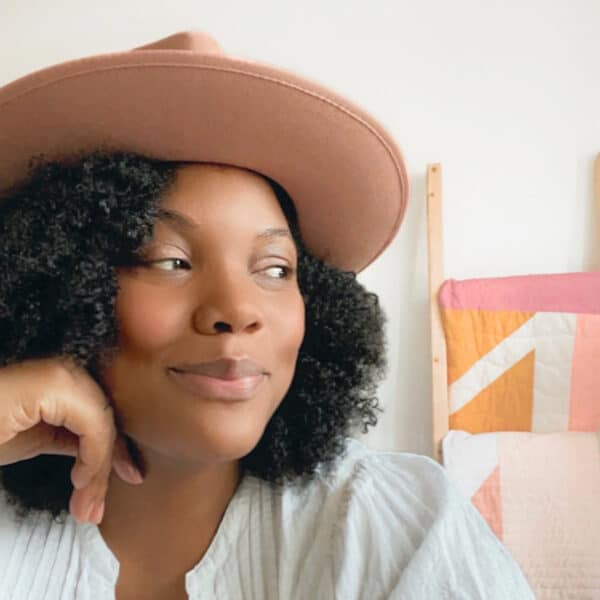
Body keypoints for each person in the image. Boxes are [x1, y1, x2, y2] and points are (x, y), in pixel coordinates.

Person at [0, 31, 534, 600]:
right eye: (171, 261)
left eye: (276, 269)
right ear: (59, 287)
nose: (238, 310)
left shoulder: (399, 527)